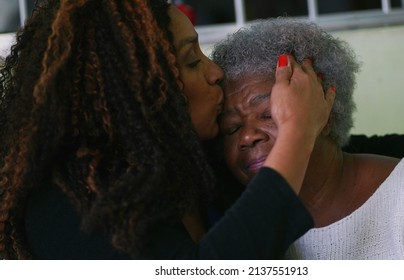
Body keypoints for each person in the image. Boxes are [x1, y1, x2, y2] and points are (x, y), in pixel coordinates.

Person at [0, 0, 334, 259]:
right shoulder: (71, 205)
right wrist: (297, 128)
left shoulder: (187, 163)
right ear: (136, 91)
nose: (216, 71)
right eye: (192, 61)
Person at [211, 17, 404, 259]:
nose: (247, 136)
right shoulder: (235, 224)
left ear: (325, 110)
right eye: (231, 129)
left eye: (269, 114)